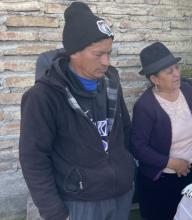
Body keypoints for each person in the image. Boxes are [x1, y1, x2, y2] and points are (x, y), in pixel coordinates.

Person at [19, 2, 135, 220]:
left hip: (121, 196)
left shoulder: (111, 82)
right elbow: (33, 159)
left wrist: (128, 171)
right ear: (74, 52)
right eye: (98, 54)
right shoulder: (43, 97)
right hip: (79, 203)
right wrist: (55, 213)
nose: (106, 62)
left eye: (109, 53)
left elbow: (124, 132)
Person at [130, 42, 192, 220]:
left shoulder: (186, 91)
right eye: (169, 71)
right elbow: (137, 147)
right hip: (162, 182)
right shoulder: (146, 106)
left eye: (176, 67)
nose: (176, 74)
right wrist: (172, 163)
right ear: (154, 79)